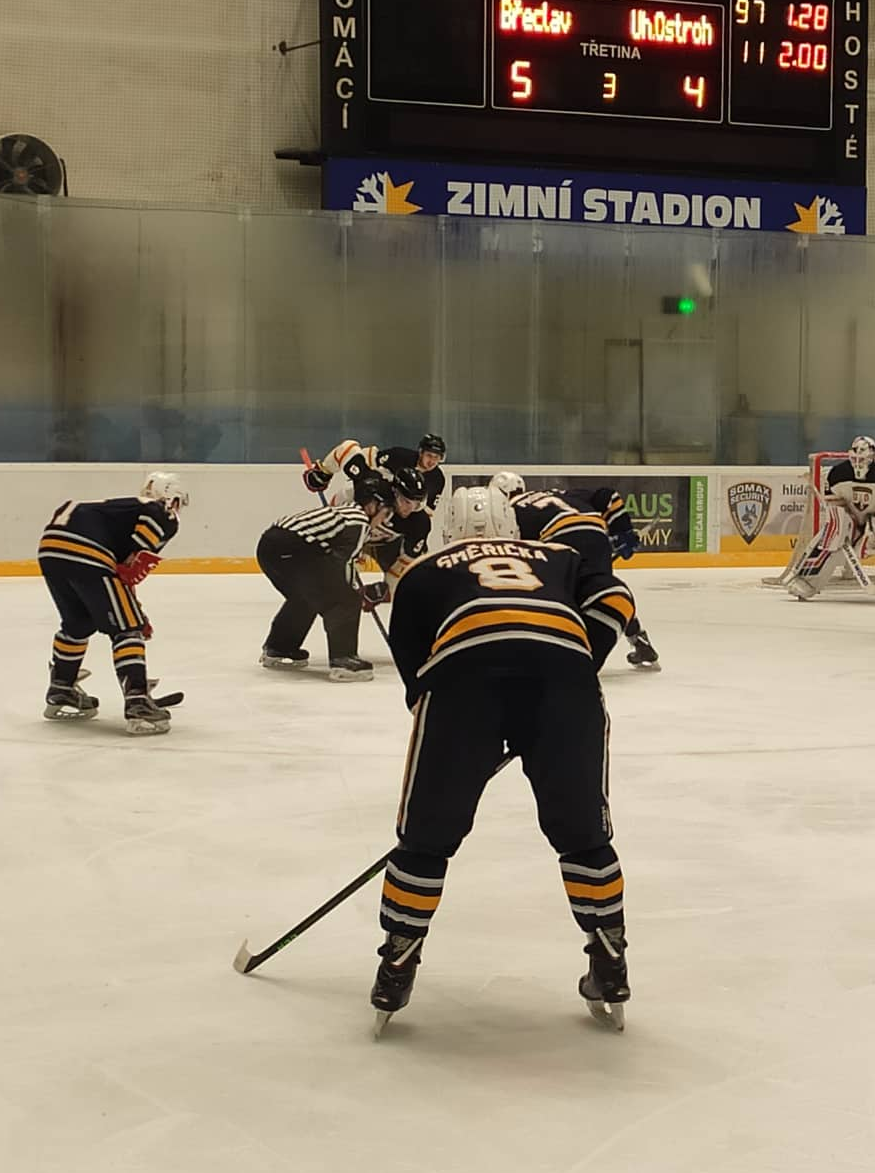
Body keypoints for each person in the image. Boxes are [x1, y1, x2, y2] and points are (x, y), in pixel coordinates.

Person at [371, 485, 637, 1033]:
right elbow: (617, 599)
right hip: (567, 685)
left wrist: (466, 737)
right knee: (583, 834)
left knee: (425, 839)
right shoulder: (561, 557)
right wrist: (574, 664)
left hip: (463, 685)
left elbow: (416, 672)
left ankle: (397, 962)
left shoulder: (422, 570)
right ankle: (609, 958)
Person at [36, 471, 186, 734]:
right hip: (88, 550)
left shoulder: (119, 508)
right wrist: (135, 618)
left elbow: (118, 571)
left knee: (79, 622)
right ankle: (138, 701)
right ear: (172, 498)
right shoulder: (161, 511)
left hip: (51, 548)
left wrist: (129, 607)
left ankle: (62, 689)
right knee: (127, 628)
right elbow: (128, 565)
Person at [256, 467, 422, 681]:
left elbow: (333, 564)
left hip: (270, 547)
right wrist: (360, 593)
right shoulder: (358, 522)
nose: (385, 518)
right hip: (291, 550)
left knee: (307, 597)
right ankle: (343, 659)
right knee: (344, 599)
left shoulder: (348, 514)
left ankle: (279, 647)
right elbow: (340, 566)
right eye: (385, 512)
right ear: (372, 505)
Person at [494, 473, 660, 668]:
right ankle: (639, 641)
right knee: (605, 588)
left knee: (561, 594)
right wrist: (622, 532)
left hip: (559, 541)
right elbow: (608, 496)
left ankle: (562, 648)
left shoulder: (509, 510)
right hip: (596, 533)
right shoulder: (562, 493)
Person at [781, 436, 875, 601]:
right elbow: (834, 503)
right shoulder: (838, 474)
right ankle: (805, 580)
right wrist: (848, 523)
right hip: (851, 518)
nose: (858, 463)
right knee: (832, 533)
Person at [305, 434, 448, 513]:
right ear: (421, 452)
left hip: (388, 520)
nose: (432, 461)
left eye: (437, 457)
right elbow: (353, 453)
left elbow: (426, 513)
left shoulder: (438, 479)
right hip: (358, 500)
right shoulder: (399, 456)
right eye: (429, 456)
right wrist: (324, 472)